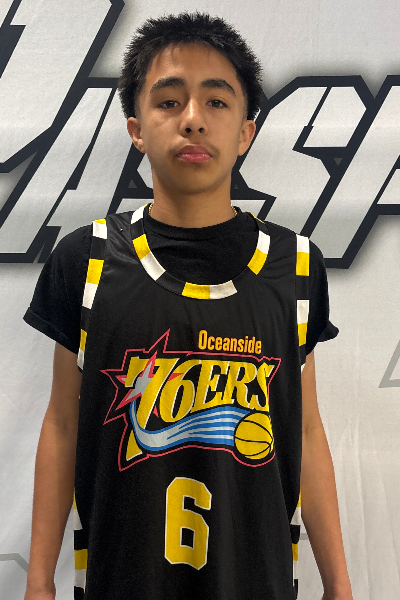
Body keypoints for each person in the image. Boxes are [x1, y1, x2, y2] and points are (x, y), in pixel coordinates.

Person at [23, 12, 353, 600]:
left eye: (216, 102)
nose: (193, 119)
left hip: (256, 579)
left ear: (246, 132)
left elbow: (305, 430)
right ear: (136, 129)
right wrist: (38, 581)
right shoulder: (86, 258)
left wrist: (339, 582)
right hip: (121, 578)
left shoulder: (297, 265)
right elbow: (62, 425)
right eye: (169, 101)